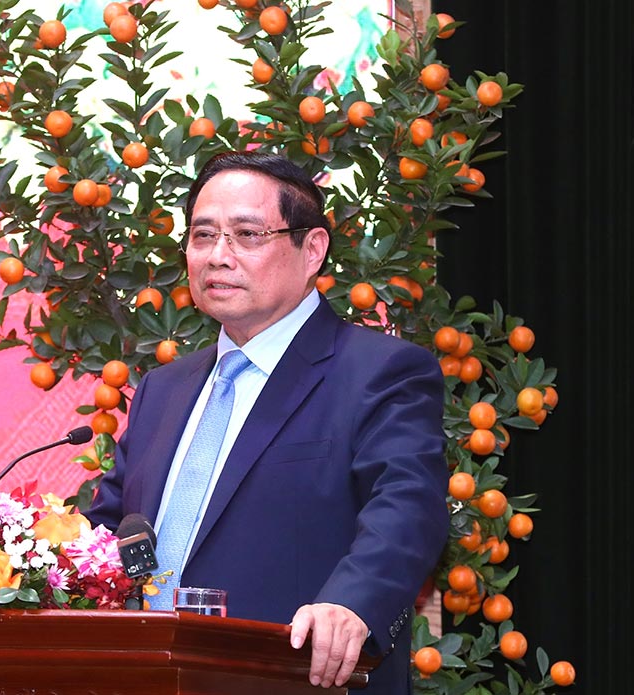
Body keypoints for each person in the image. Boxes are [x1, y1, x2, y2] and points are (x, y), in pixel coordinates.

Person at [86, 151, 448, 693]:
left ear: (313, 250)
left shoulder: (379, 371)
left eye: (247, 235)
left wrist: (351, 605)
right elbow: (107, 527)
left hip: (295, 678)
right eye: (202, 235)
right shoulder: (163, 389)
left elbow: (407, 508)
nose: (217, 256)